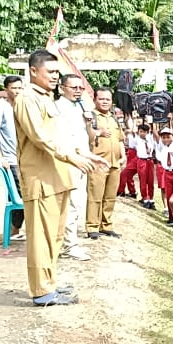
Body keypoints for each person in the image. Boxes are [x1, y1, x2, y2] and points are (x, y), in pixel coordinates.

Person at [13, 50, 106, 307]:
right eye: (51, 72)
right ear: (34, 71)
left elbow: (61, 136)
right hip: (41, 179)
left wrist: (83, 154)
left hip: (58, 176)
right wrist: (72, 157)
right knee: (41, 237)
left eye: (57, 72)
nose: (55, 76)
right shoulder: (27, 99)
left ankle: (50, 284)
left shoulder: (47, 99)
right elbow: (41, 137)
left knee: (55, 236)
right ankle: (41, 291)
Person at [55, 73, 94, 261]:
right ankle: (69, 245)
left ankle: (71, 242)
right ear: (62, 88)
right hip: (70, 161)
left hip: (82, 160)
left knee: (78, 203)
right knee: (71, 204)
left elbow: (86, 135)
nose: (78, 91)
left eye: (81, 88)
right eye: (74, 87)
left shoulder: (79, 106)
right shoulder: (58, 108)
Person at [0, 76, 26, 241]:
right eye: (13, 88)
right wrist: (0, 157)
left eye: (19, 88)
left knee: (20, 195)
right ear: (6, 89)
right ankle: (13, 231)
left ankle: (13, 231)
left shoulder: (23, 107)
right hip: (11, 160)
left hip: (25, 160)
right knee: (20, 196)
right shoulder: (1, 108)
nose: (17, 91)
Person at [85, 87, 125, 240]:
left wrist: (124, 155)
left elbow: (120, 139)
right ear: (95, 99)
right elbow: (87, 137)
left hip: (115, 163)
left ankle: (106, 225)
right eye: (101, 99)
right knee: (95, 196)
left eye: (108, 99)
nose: (105, 102)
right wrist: (97, 132)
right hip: (98, 163)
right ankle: (92, 227)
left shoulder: (114, 118)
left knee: (110, 197)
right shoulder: (90, 117)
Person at [117, 122, 140, 199]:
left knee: (126, 173)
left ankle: (121, 190)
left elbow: (134, 131)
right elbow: (126, 132)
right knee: (128, 174)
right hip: (130, 152)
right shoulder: (129, 132)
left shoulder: (140, 134)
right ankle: (131, 191)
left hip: (137, 153)